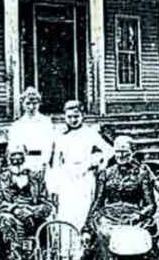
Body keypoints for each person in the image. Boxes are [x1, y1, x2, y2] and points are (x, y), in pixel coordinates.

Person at [81, 136, 159, 260]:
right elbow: (97, 201)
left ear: (132, 152)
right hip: (109, 216)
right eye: (118, 151)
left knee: (137, 236)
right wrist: (87, 226)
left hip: (133, 214)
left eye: (125, 151)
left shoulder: (142, 173)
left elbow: (151, 205)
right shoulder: (105, 173)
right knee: (105, 235)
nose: (121, 155)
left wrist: (139, 215)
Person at [0, 145, 55, 260]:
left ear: (25, 157)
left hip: (31, 221)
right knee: (7, 220)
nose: (17, 160)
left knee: (44, 226)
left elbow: (48, 204)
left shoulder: (36, 178)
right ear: (7, 159)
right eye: (13, 156)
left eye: (20, 156)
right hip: (7, 219)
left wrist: (31, 211)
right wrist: (15, 209)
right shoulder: (1, 179)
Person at [47, 99, 114, 231]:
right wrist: (54, 186)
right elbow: (56, 162)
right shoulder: (61, 136)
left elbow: (109, 151)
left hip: (84, 178)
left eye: (76, 116)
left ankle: (82, 248)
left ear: (82, 116)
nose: (73, 120)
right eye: (69, 117)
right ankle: (66, 249)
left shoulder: (90, 133)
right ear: (65, 117)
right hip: (67, 178)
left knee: (83, 210)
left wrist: (95, 161)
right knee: (66, 212)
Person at [7, 87, 56, 173]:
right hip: (24, 163)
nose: (31, 107)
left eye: (34, 103)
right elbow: (13, 146)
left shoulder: (46, 122)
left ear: (39, 103)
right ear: (23, 104)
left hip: (42, 162)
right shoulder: (17, 125)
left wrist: (44, 163)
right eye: (28, 103)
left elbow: (49, 145)